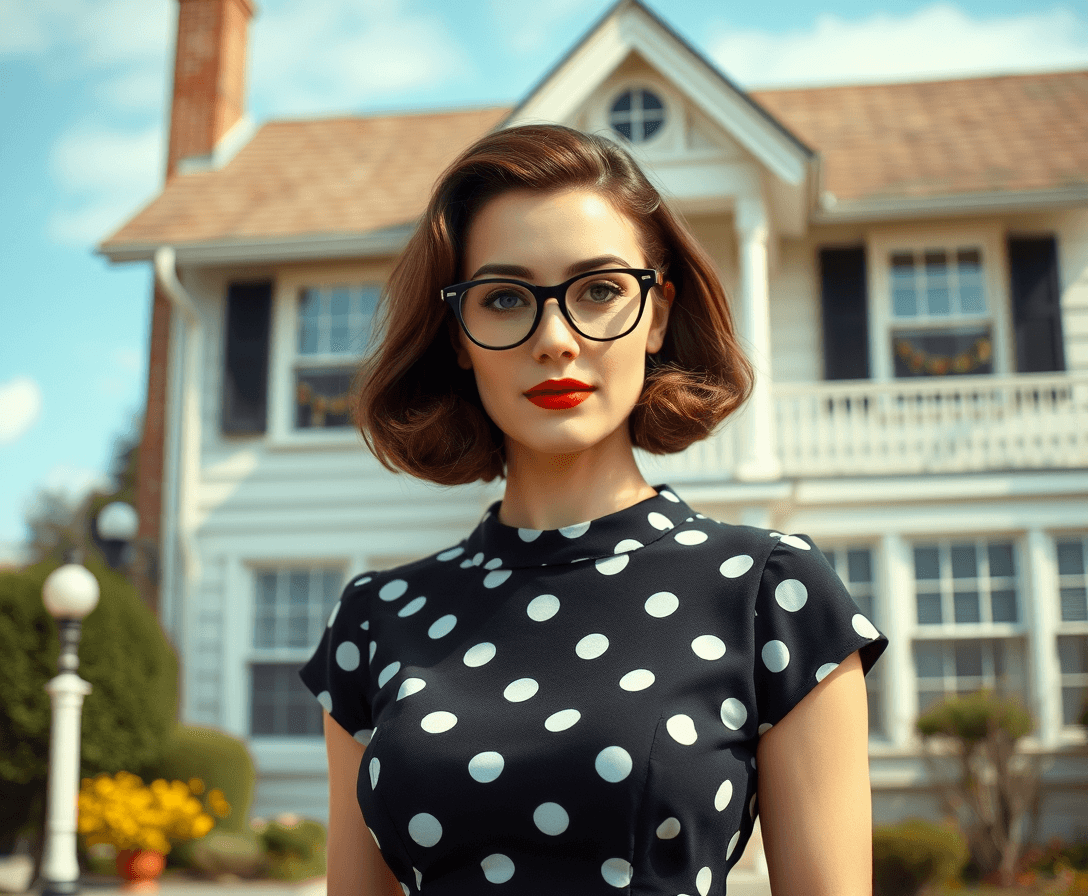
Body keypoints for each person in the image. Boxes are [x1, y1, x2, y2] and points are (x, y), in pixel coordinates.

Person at [300, 124, 887, 896]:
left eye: (601, 290)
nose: (555, 339)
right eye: (505, 298)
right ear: (458, 337)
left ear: (655, 315)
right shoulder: (375, 619)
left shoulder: (770, 594)